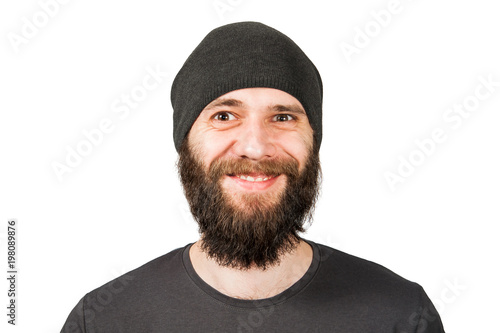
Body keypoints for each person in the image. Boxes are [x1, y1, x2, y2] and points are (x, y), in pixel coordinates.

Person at [61, 21, 445, 332]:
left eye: (283, 117)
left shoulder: (401, 316)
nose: (256, 147)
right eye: (224, 116)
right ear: (185, 142)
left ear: (314, 141)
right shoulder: (102, 321)